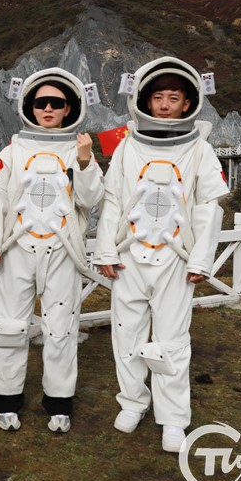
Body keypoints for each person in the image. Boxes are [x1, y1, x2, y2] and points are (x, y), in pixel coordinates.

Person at [95, 56, 229, 452]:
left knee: (171, 340)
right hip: (129, 255)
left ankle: (173, 417)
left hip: (176, 259)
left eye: (174, 97)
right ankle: (133, 401)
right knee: (127, 334)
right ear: (145, 101)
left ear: (188, 103)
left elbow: (209, 209)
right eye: (158, 97)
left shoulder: (201, 150)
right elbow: (112, 202)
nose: (166, 104)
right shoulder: (125, 146)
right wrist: (105, 250)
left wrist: (201, 259)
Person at [0, 68, 104, 434]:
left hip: (63, 249)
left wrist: (83, 161)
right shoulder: (13, 150)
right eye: (40, 102)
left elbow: (91, 199)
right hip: (18, 247)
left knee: (61, 329)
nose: (47, 109)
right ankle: (6, 399)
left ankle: (59, 402)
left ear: (70, 108)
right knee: (9, 326)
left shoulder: (79, 149)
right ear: (30, 107)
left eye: (56, 103)